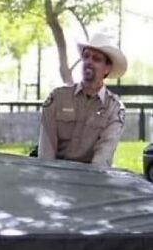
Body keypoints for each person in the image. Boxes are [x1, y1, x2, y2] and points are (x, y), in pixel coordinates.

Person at [37, 33, 127, 167]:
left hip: (90, 180)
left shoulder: (114, 109)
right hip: (54, 176)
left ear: (107, 69)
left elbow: (102, 159)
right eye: (86, 56)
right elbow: (46, 152)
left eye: (96, 59)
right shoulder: (57, 98)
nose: (89, 61)